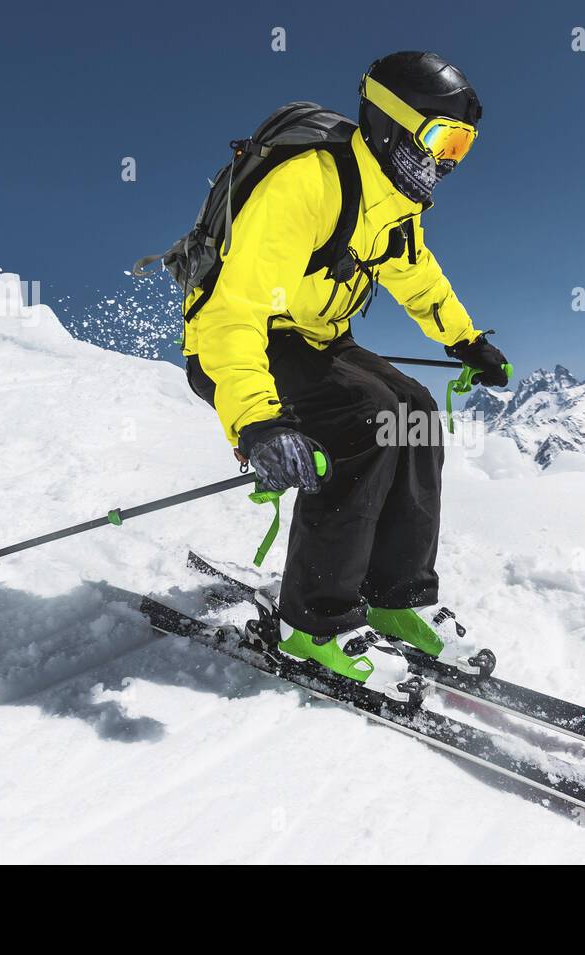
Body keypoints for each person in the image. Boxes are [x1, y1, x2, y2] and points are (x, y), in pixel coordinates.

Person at [182, 51, 510, 701]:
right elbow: (231, 309)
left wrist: (465, 338)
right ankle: (314, 621)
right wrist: (257, 420)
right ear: (395, 125)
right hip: (241, 341)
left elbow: (417, 277)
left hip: (318, 336)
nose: (449, 160)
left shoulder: (393, 199)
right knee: (366, 425)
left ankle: (395, 597)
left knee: (412, 412)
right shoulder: (307, 184)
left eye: (463, 145)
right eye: (444, 139)